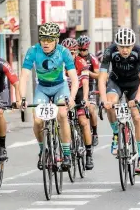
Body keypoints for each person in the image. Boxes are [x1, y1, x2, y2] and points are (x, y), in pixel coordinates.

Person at [19, 22, 79, 170]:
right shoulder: (33, 51)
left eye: (49, 40)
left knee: (63, 115)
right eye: (43, 39)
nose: (45, 43)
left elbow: (74, 78)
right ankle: (43, 151)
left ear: (56, 40)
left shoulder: (64, 52)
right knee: (38, 121)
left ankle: (66, 154)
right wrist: (22, 98)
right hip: (43, 88)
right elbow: (24, 76)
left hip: (60, 87)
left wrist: (71, 98)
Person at [98, 27, 140, 174]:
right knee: (110, 103)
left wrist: (137, 99)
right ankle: (115, 133)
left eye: (128, 46)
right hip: (116, 82)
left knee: (136, 117)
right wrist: (103, 100)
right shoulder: (109, 52)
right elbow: (102, 78)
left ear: (133, 45)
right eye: (122, 46)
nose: (125, 50)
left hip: (134, 84)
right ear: (116, 45)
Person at [62, 38, 94, 170]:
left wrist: (85, 98)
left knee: (83, 122)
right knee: (63, 120)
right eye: (68, 52)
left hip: (79, 91)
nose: (71, 55)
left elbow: (85, 82)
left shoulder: (81, 62)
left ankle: (88, 154)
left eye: (73, 52)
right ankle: (66, 151)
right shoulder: (59, 63)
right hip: (64, 93)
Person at [77, 35, 100, 146]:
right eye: (80, 49)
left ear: (88, 48)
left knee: (91, 109)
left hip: (90, 86)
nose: (82, 52)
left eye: (84, 50)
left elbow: (98, 75)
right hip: (78, 86)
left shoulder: (92, 58)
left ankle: (95, 133)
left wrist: (86, 72)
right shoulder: (75, 58)